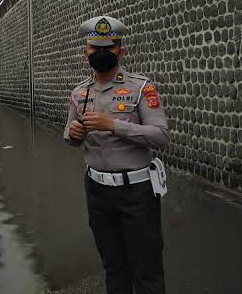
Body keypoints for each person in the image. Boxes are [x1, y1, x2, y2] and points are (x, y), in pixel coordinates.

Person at [64, 16, 170, 294]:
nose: (100, 53)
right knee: (113, 267)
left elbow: (161, 137)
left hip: (137, 192)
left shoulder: (141, 88)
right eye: (94, 47)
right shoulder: (79, 93)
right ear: (85, 51)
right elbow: (69, 137)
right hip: (97, 192)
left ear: (121, 51)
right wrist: (74, 134)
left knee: (147, 270)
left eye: (108, 47)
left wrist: (114, 125)